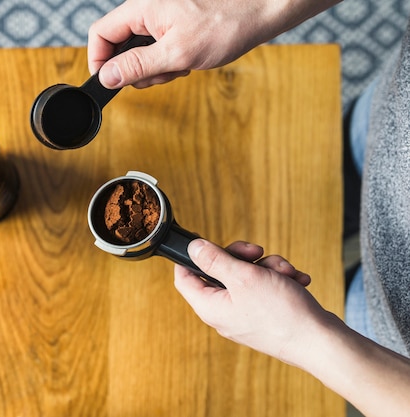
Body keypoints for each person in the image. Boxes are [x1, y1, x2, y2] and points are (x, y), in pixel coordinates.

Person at [87, 1, 410, 416]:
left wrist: (307, 337)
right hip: (393, 118)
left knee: (351, 302)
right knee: (344, 157)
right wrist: (250, 7)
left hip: (391, 335)